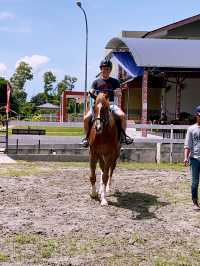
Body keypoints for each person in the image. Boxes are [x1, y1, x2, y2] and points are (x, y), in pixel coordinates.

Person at [81, 59, 133, 147]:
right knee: (86, 118)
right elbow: (91, 91)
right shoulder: (96, 82)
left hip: (111, 104)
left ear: (110, 70)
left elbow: (119, 93)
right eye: (104, 68)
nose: (105, 70)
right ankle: (87, 137)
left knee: (123, 116)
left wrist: (115, 92)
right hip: (98, 105)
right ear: (100, 69)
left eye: (108, 69)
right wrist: (91, 92)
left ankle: (123, 137)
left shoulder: (115, 81)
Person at [184, 105, 200, 210]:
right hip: (195, 159)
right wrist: (185, 157)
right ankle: (194, 201)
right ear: (197, 116)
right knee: (195, 182)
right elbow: (187, 144)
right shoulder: (191, 129)